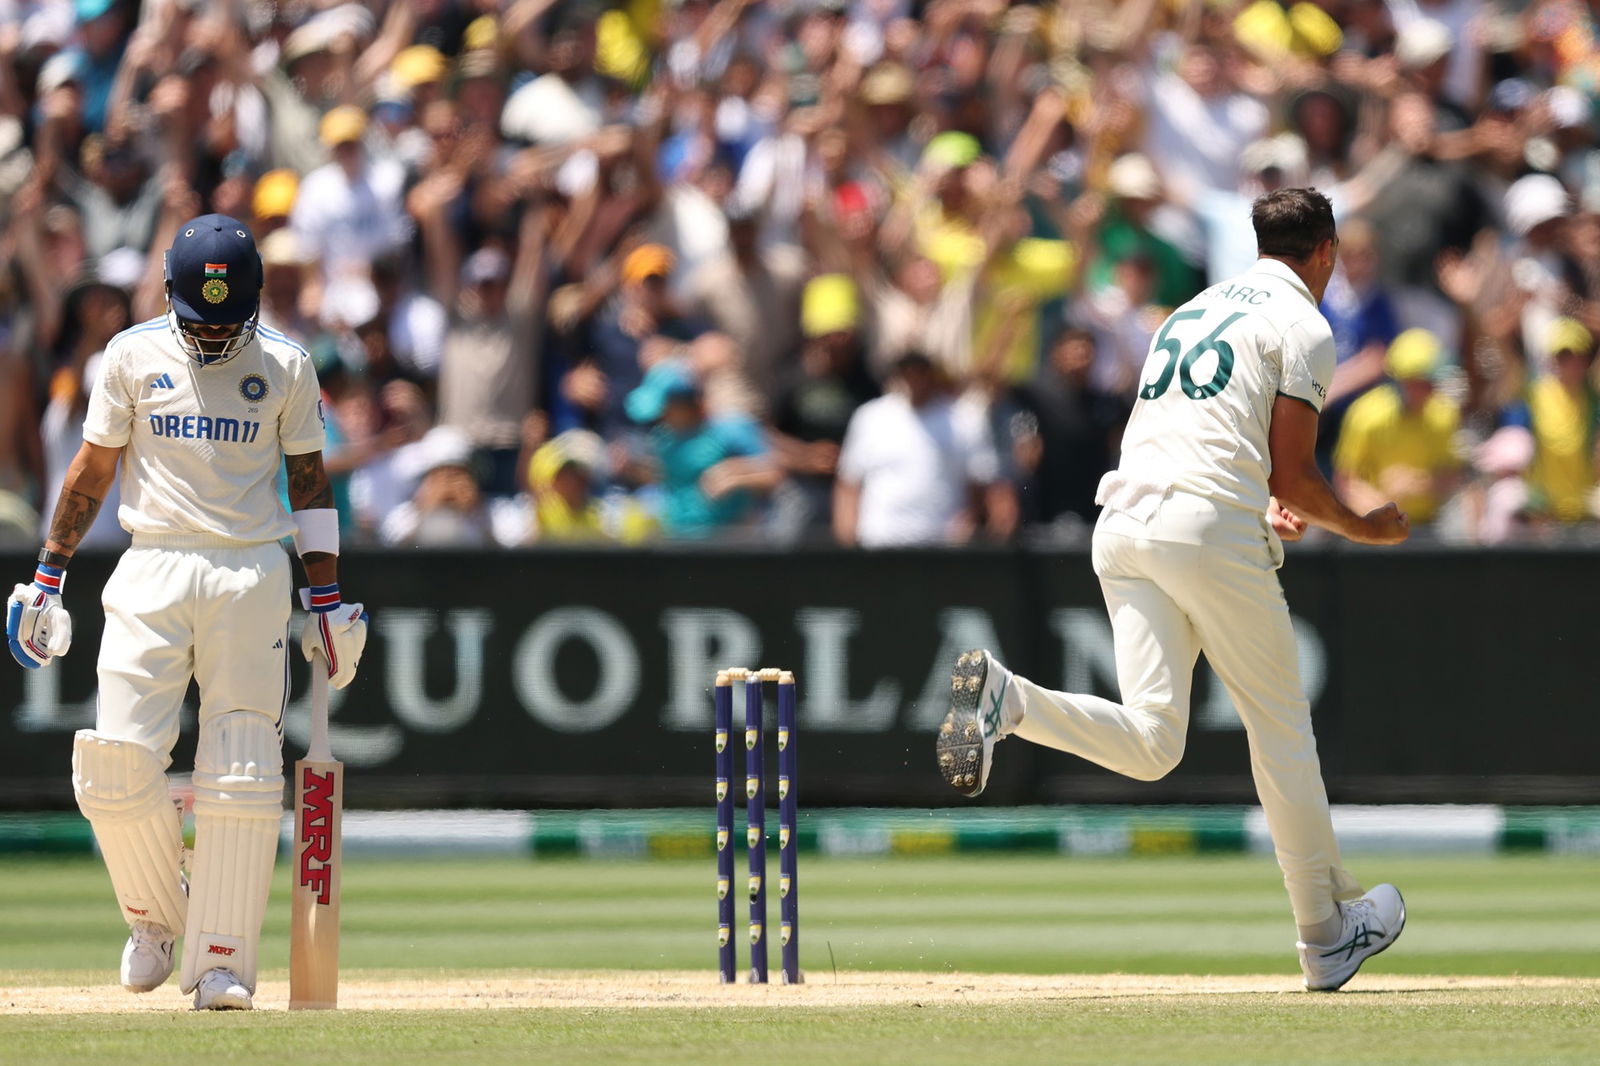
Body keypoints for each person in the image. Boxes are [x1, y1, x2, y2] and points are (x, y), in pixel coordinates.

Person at [936, 189, 1411, 992]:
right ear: (1324, 252)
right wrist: (1365, 526)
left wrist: (1257, 501)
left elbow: (1201, 437)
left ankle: (1010, 702)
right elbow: (1294, 471)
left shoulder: (1188, 310)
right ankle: (1326, 934)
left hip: (1123, 523)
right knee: (1283, 731)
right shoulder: (1306, 325)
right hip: (1204, 529)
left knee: (1155, 743)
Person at [4, 215, 368, 1011]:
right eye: (198, 322)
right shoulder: (132, 354)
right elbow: (92, 469)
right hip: (152, 560)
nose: (209, 338)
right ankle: (158, 918)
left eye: (225, 322)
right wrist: (47, 575)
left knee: (242, 764)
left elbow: (308, 484)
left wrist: (329, 598)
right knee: (113, 763)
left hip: (249, 568)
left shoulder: (286, 366)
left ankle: (221, 964)